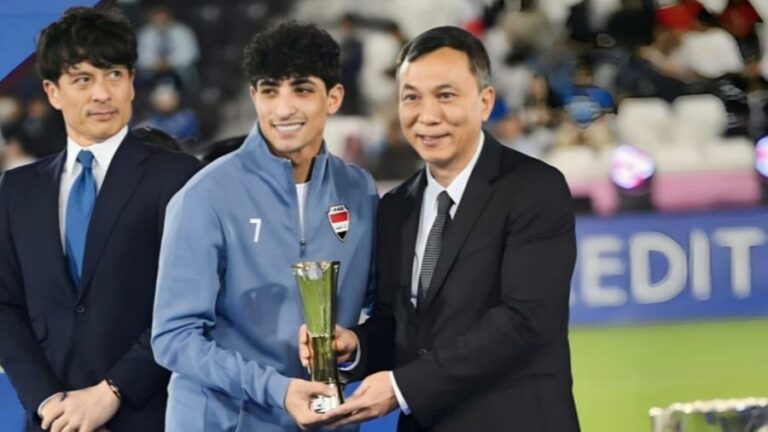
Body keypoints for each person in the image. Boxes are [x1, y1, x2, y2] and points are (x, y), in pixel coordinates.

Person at [302, 26, 580, 431]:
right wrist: (355, 346)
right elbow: (396, 324)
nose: (427, 116)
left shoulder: (535, 188)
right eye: (411, 97)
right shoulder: (396, 207)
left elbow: (524, 321)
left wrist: (402, 387)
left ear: (485, 102)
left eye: (445, 95)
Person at [151, 21, 378, 431]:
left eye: (302, 90)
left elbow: (378, 306)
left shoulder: (359, 191)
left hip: (324, 421)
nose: (284, 109)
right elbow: (174, 338)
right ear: (254, 96)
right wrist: (277, 389)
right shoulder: (206, 194)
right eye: (270, 91)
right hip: (225, 422)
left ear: (334, 97)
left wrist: (355, 346)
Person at [0, 7, 200, 432]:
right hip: (53, 421)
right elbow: (5, 305)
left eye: (114, 75)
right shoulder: (17, 189)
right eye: (83, 80)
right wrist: (48, 403)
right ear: (53, 92)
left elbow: (191, 303)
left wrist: (111, 393)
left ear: (132, 83)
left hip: (152, 416)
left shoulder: (177, 176)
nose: (102, 94)